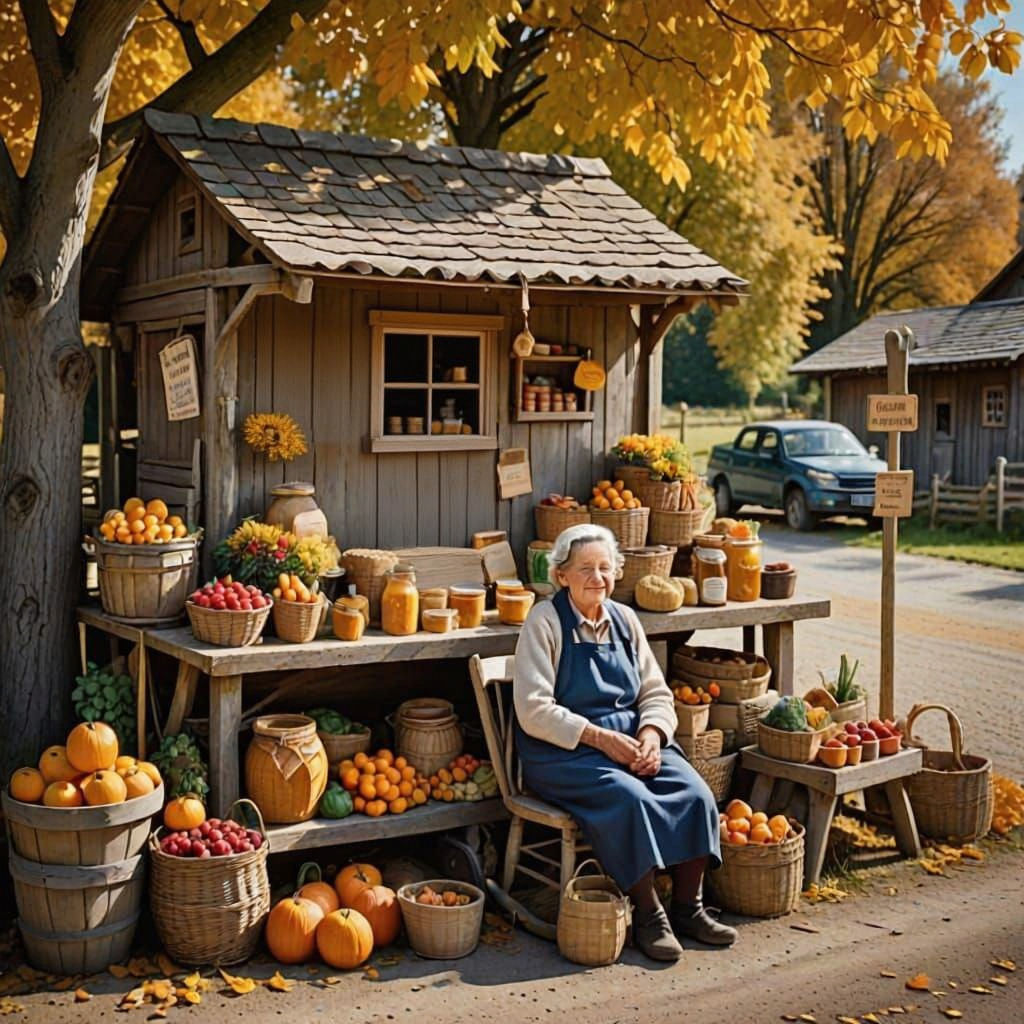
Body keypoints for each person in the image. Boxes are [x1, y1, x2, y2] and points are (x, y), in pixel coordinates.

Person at [513, 523, 736, 961]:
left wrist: (652, 736)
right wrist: (601, 739)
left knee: (695, 792)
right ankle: (649, 916)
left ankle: (689, 907)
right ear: (561, 575)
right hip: (565, 750)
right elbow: (533, 709)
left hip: (631, 740)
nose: (598, 578)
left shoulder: (625, 619)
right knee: (629, 799)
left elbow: (655, 693)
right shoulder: (544, 621)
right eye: (585, 569)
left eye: (605, 568)